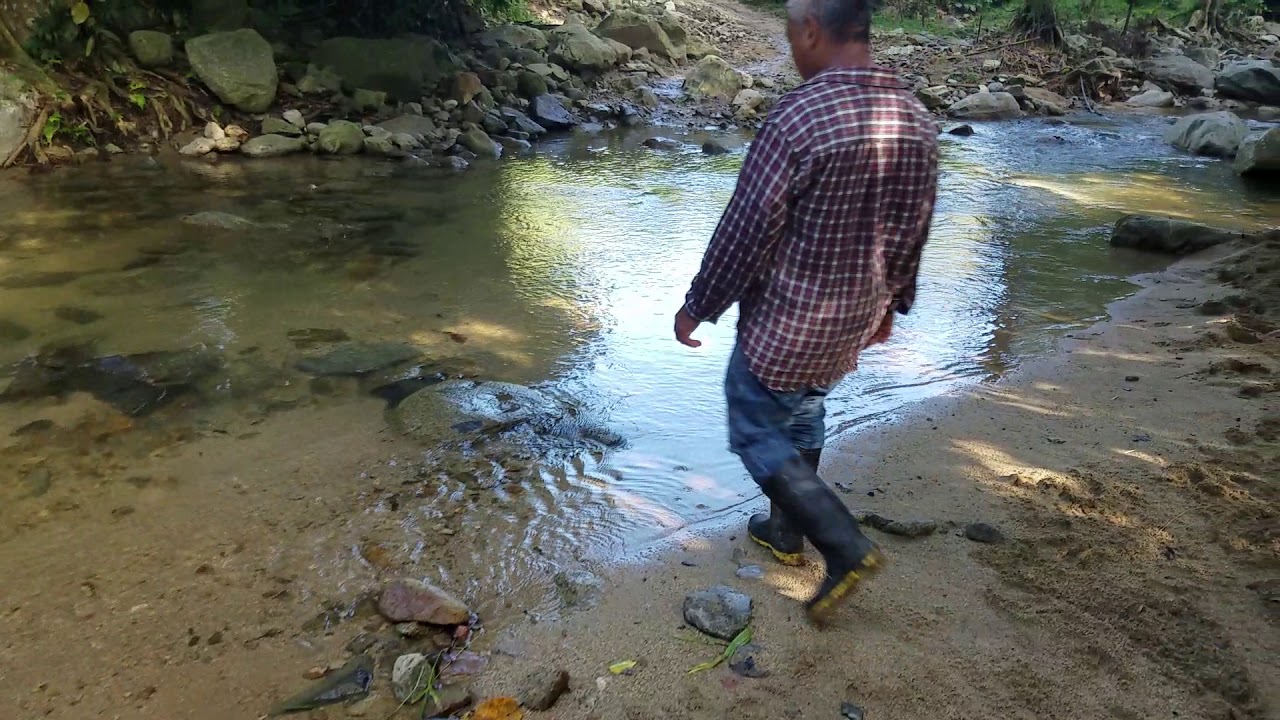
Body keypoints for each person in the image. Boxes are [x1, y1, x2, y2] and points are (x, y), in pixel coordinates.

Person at [674, 0, 939, 624]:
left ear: (812, 30)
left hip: (788, 320)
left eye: (791, 32)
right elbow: (913, 228)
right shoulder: (916, 116)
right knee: (806, 407)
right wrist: (892, 303)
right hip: (853, 316)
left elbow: (746, 231)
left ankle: (843, 546)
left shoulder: (799, 117)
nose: (791, 45)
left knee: (754, 426)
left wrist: (698, 306)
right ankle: (783, 530)